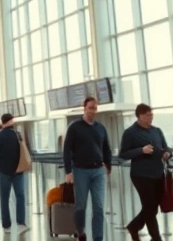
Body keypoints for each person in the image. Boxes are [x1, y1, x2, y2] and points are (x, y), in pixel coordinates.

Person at [119, 103, 173, 241]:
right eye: (147, 115)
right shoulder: (130, 133)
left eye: (151, 114)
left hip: (158, 173)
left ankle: (134, 226)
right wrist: (141, 150)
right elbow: (123, 154)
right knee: (149, 206)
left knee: (153, 208)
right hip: (141, 175)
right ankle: (156, 237)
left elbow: (165, 147)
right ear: (140, 116)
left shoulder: (157, 131)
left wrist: (167, 153)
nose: (150, 117)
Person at [63, 97, 112, 241]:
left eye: (95, 108)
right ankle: (80, 231)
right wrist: (68, 171)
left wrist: (108, 166)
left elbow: (106, 149)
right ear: (84, 108)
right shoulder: (74, 127)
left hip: (98, 172)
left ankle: (98, 237)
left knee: (99, 207)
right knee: (81, 206)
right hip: (80, 171)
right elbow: (66, 150)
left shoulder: (100, 128)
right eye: (90, 108)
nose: (93, 111)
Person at [0, 114, 29, 235]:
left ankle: (6, 225)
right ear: (12, 121)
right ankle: (21, 223)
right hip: (18, 170)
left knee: (4, 198)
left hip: (4, 171)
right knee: (20, 196)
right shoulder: (17, 135)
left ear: (2, 122)